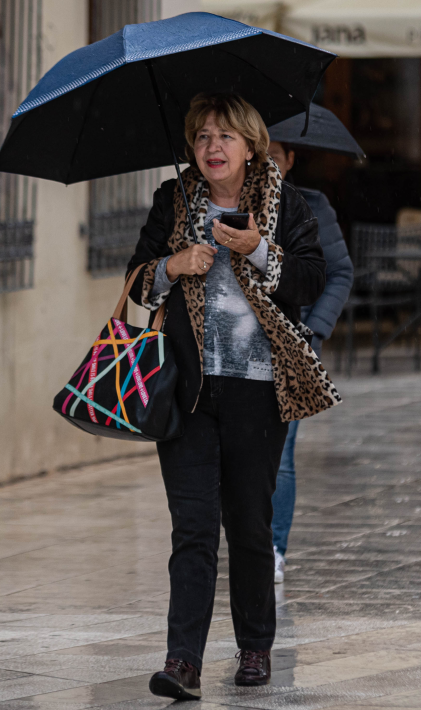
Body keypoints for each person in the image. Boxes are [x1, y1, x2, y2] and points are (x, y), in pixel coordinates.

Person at [126, 93, 337, 700]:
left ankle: (254, 649)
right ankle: (182, 662)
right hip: (185, 392)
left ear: (250, 145)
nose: (212, 147)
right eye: (201, 137)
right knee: (192, 528)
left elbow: (310, 277)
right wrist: (174, 265)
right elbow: (137, 281)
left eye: (225, 136)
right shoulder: (173, 202)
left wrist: (260, 252)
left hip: (257, 391)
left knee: (249, 524)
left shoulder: (285, 203)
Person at [264, 141, 354, 584]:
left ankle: (274, 548)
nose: (265, 163)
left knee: (280, 455)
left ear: (292, 158)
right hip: (233, 352)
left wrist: (314, 329)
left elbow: (340, 271)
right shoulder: (219, 203)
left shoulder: (309, 206)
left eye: (274, 154)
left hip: (293, 348)